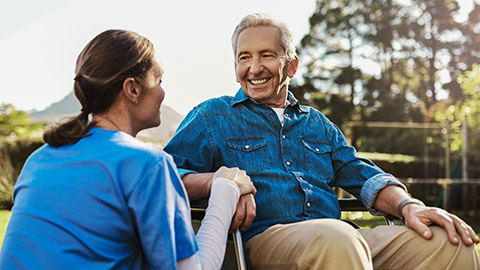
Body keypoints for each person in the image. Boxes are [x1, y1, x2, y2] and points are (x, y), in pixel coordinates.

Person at [164, 13, 480, 269]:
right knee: (337, 238)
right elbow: (166, 176)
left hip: (342, 240)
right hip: (266, 243)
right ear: (235, 68)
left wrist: (408, 206)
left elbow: (363, 175)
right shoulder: (211, 116)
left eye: (267, 55)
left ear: (291, 65)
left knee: (450, 242)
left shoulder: (317, 123)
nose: (254, 68)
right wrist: (222, 182)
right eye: (244, 57)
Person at [0, 29, 256, 270]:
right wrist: (226, 186)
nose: (163, 92)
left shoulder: (38, 159)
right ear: (132, 89)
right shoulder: (147, 163)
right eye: (159, 80)